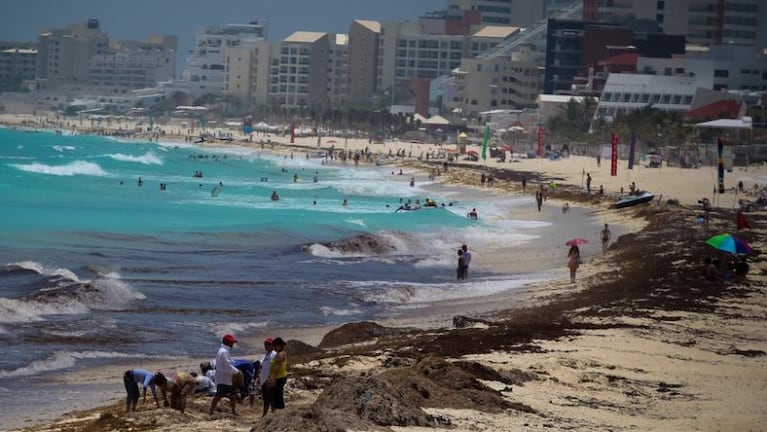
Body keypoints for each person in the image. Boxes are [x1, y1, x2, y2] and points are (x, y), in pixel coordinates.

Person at [208, 334, 242, 416]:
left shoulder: (222, 351)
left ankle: (213, 411)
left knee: (230, 395)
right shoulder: (224, 352)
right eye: (231, 343)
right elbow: (227, 366)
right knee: (220, 395)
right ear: (228, 343)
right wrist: (237, 371)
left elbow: (226, 364)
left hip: (223, 378)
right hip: (224, 379)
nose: (233, 344)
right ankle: (211, 411)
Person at [266, 337, 288, 412]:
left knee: (278, 395)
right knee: (275, 396)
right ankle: (278, 411)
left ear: (279, 346)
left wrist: (272, 377)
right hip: (277, 377)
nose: (274, 347)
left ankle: (281, 411)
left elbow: (277, 367)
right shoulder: (278, 354)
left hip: (279, 377)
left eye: (275, 345)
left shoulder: (281, 354)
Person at [258, 338, 277, 417]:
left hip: (270, 380)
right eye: (266, 344)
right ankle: (265, 414)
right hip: (263, 380)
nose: (267, 346)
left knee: (272, 398)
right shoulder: (265, 355)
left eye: (268, 344)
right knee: (266, 399)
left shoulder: (274, 354)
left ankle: (274, 414)